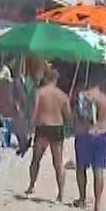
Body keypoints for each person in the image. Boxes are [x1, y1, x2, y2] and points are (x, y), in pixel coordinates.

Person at [71, 75, 106, 211]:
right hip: (101, 136)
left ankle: (82, 199)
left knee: (81, 168)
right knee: (98, 169)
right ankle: (97, 204)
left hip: (84, 135)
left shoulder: (82, 96)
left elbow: (74, 116)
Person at [26, 66, 70, 199]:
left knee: (36, 159)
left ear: (46, 78)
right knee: (58, 162)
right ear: (55, 79)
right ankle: (61, 193)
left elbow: (34, 112)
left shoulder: (40, 92)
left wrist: (31, 126)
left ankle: (31, 185)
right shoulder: (62, 96)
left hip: (43, 126)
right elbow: (68, 116)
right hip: (57, 127)